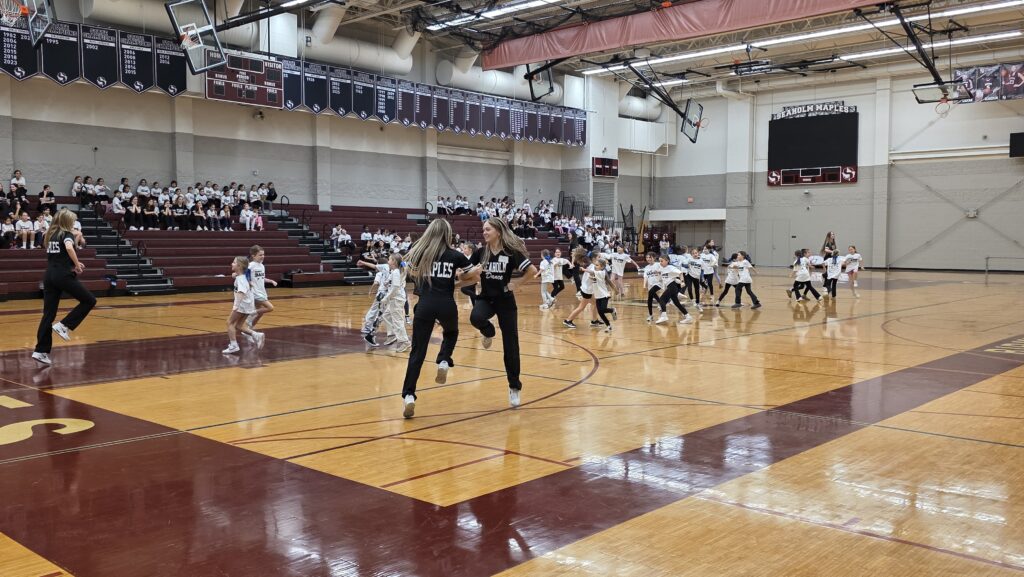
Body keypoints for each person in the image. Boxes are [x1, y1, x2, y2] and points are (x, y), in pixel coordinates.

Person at [400, 219, 479, 418]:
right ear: (448, 234)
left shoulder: (420, 252)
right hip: (446, 304)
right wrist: (455, 282)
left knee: (417, 352)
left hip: (425, 305)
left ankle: (409, 395)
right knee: (451, 333)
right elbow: (474, 277)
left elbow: (410, 271)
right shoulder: (455, 255)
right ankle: (443, 360)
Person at [469, 217, 537, 407]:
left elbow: (532, 271)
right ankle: (488, 332)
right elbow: (465, 271)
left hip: (505, 301)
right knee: (476, 318)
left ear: (498, 232)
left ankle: (514, 386)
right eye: (483, 229)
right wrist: (471, 273)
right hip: (486, 298)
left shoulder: (510, 252)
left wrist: (518, 283)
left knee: (511, 345)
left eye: (487, 229)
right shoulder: (481, 253)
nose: (484, 232)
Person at [31, 209, 96, 365]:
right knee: (89, 300)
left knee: (48, 315)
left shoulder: (51, 234)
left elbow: (58, 256)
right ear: (67, 221)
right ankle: (64, 325)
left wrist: (74, 263)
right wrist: (76, 265)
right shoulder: (67, 234)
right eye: (72, 221)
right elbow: (68, 247)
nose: (73, 223)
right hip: (62, 275)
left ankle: (40, 351)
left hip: (49, 276)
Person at [223, 256, 264, 354]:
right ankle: (256, 335)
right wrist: (235, 275)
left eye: (234, 262)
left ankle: (233, 345)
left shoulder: (241, 279)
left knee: (229, 322)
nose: (232, 264)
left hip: (242, 305)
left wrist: (236, 306)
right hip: (248, 304)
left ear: (239, 266)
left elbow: (241, 292)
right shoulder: (242, 276)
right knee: (239, 325)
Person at [247, 245, 278, 332]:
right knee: (270, 308)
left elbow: (261, 278)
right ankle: (251, 313)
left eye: (263, 254)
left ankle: (249, 330)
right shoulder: (250, 265)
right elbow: (244, 276)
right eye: (260, 255)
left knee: (260, 313)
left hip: (262, 291)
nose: (262, 256)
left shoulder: (262, 266)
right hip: (255, 292)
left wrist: (271, 281)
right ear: (253, 256)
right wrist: (249, 283)